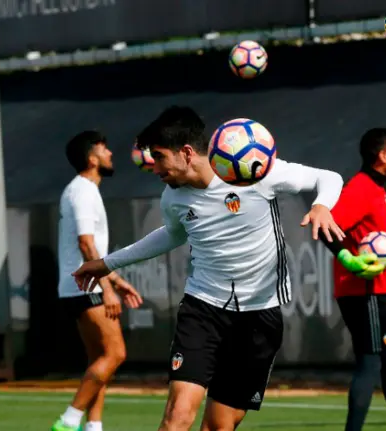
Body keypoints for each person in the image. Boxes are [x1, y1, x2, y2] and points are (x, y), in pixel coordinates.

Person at [72, 106, 346, 431]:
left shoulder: (253, 170)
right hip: (203, 309)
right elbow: (171, 235)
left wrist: (321, 206)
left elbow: (328, 177)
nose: (154, 166)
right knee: (177, 417)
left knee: (218, 426)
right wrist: (107, 263)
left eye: (159, 157)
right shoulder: (172, 197)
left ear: (186, 153)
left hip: (260, 316)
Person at [325, 128, 386, 431]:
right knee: (371, 363)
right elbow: (329, 227)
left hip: (377, 292)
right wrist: (348, 259)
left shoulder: (376, 189)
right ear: (382, 155)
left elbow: (376, 243)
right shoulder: (362, 188)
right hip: (365, 293)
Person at [51, 131, 144, 431]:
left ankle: (94, 426)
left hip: (78, 286)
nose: (111, 154)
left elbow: (91, 251)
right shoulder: (83, 191)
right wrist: (106, 289)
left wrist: (117, 281)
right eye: (105, 150)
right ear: (92, 159)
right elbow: (86, 245)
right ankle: (69, 420)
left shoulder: (83, 190)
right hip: (86, 287)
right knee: (116, 354)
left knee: (99, 359)